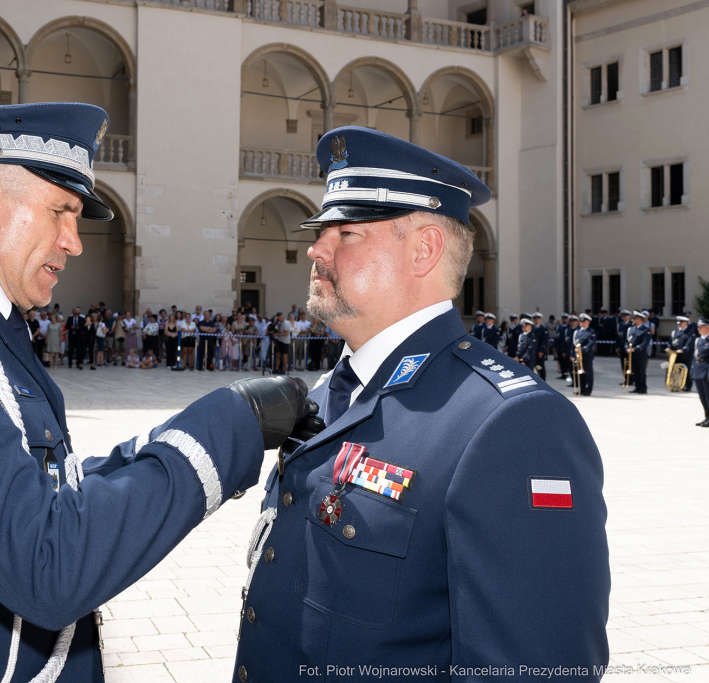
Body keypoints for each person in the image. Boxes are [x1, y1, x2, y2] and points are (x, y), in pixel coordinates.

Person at [0, 102, 310, 683]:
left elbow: (43, 488)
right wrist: (230, 424)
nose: (74, 242)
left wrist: (176, 435)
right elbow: (45, 564)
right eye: (61, 212)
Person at [232, 125, 609, 682]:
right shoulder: (325, 396)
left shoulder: (512, 424)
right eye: (320, 230)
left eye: (347, 232)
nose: (316, 248)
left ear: (424, 250)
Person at [626, 310, 651, 394]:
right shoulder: (631, 329)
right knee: (635, 371)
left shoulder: (646, 330)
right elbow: (627, 341)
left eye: (634, 319)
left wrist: (635, 349)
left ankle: (643, 388)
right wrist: (627, 348)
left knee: (641, 371)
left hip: (640, 354)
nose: (632, 321)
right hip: (632, 354)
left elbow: (644, 343)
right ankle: (637, 387)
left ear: (639, 319)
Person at [572, 313, 597, 396]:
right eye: (581, 321)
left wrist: (581, 350)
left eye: (583, 321)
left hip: (587, 356)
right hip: (579, 357)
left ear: (588, 322)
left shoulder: (591, 332)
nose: (581, 323)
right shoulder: (577, 332)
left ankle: (588, 390)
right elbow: (575, 344)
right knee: (580, 374)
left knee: (588, 374)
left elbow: (591, 343)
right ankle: (581, 389)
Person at [669, 315, 695, 391]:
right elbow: (671, 341)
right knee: (676, 371)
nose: (679, 324)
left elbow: (689, 343)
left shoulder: (690, 332)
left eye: (681, 322)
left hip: (686, 355)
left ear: (686, 323)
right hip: (676, 354)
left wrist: (683, 350)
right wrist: (669, 347)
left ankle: (687, 386)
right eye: (678, 323)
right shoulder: (676, 332)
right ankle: (676, 384)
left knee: (686, 371)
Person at [693, 318, 709, 426]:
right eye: (698, 326)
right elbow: (694, 356)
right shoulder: (698, 340)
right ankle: (706, 417)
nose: (698, 328)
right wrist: (691, 370)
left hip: (706, 370)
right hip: (698, 369)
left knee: (708, 396)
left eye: (701, 326)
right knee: (702, 396)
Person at [531, 311, 549, 380]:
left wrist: (542, 351)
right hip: (532, 351)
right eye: (535, 319)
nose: (536, 320)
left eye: (538, 319)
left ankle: (543, 381)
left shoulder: (543, 329)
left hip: (539, 351)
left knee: (540, 367)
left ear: (540, 320)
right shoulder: (531, 328)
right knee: (533, 367)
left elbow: (544, 342)